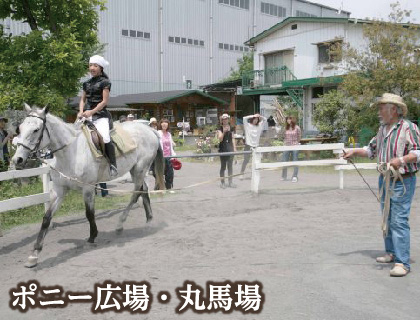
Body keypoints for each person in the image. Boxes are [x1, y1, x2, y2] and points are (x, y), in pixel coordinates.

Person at [344, 93, 420, 277]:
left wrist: (401, 160)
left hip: (403, 179)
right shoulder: (382, 129)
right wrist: (352, 151)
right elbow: (370, 150)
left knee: (399, 220)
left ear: (393, 109)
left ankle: (402, 263)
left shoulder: (409, 128)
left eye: (381, 108)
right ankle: (391, 253)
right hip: (385, 178)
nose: (379, 112)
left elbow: (418, 152)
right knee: (386, 216)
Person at [78, 55, 118, 177]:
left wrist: (91, 112)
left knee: (105, 138)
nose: (92, 68)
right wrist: (81, 111)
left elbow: (104, 102)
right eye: (90, 65)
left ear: (100, 68)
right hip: (86, 115)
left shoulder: (105, 83)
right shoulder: (86, 83)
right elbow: (82, 100)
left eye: (95, 66)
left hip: (100, 116)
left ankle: (113, 165)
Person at [240, 113, 266, 179]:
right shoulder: (247, 125)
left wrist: (260, 116)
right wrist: (253, 115)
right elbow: (244, 118)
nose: (255, 120)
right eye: (254, 119)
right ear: (252, 119)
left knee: (255, 161)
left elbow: (265, 119)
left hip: (256, 146)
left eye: (257, 119)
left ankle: (254, 174)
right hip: (248, 145)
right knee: (246, 160)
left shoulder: (259, 126)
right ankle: (241, 173)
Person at [217, 113, 237, 188]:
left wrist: (235, 148)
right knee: (223, 167)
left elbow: (233, 138)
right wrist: (224, 132)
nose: (225, 120)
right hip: (223, 149)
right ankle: (222, 183)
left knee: (230, 166)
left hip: (230, 148)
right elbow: (220, 139)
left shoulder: (231, 128)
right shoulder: (220, 129)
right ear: (222, 120)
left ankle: (230, 182)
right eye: (223, 119)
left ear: (228, 119)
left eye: (226, 119)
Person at [281, 116, 301, 182]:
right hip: (287, 145)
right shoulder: (285, 128)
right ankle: (284, 176)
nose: (288, 121)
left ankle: (295, 176)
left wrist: (297, 143)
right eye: (287, 119)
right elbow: (283, 136)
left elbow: (299, 136)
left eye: (289, 119)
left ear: (293, 120)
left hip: (295, 145)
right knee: (284, 160)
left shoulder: (297, 127)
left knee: (295, 160)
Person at [158, 118, 176, 190]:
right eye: (163, 123)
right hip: (161, 157)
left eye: (166, 123)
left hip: (169, 157)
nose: (164, 124)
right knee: (160, 174)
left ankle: (169, 188)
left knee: (170, 174)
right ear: (161, 124)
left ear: (168, 125)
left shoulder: (169, 134)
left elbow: (171, 143)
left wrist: (173, 143)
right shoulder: (158, 133)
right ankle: (160, 188)